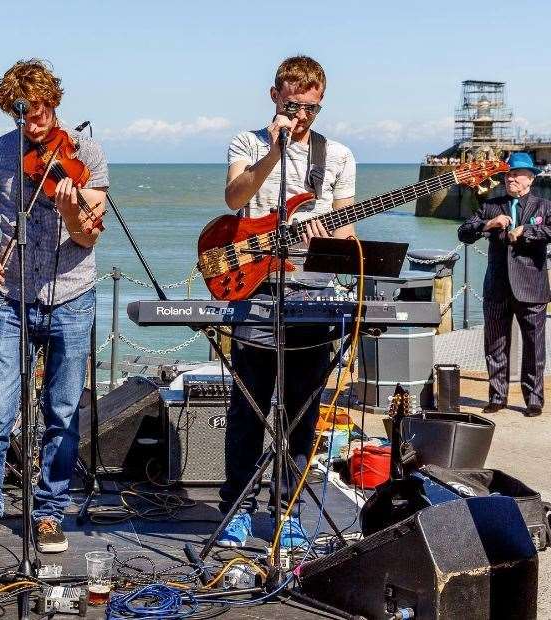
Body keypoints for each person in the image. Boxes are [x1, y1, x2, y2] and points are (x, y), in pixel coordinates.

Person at [0, 59, 108, 559]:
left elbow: (88, 232)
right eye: (23, 112)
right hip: (14, 299)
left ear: (54, 101)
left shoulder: (86, 153)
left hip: (72, 295)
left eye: (41, 108)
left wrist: (68, 205)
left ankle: (48, 513)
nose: (33, 120)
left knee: (61, 412)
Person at [218, 55, 356, 550]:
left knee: (302, 408)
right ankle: (235, 504)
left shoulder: (336, 156)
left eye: (312, 108)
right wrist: (273, 153)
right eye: (294, 104)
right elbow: (236, 199)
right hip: (255, 288)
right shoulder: (247, 142)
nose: (303, 115)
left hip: (312, 294)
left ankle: (287, 509)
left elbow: (346, 230)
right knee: (249, 406)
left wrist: (333, 241)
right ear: (275, 96)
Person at [458, 152, 551, 417]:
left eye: (517, 174)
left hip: (532, 288)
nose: (510, 178)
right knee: (495, 344)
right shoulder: (492, 206)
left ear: (530, 179)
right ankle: (496, 397)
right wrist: (489, 224)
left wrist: (527, 232)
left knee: (534, 347)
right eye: (508, 174)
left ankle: (533, 399)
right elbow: (464, 233)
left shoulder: (543, 207)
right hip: (497, 287)